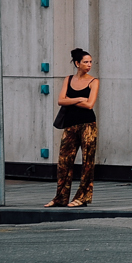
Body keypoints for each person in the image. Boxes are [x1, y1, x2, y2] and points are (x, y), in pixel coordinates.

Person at [44, 48, 99, 208]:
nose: (89, 65)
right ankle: (60, 197)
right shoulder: (68, 80)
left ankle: (82, 197)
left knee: (88, 162)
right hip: (70, 125)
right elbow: (60, 101)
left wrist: (71, 99)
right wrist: (79, 98)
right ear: (77, 63)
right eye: (85, 62)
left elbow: (89, 104)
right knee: (64, 161)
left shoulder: (93, 81)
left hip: (88, 125)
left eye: (90, 62)